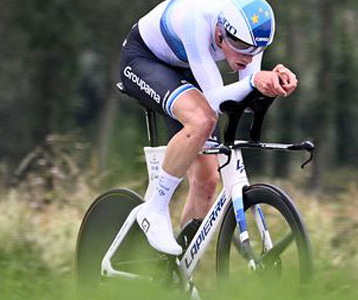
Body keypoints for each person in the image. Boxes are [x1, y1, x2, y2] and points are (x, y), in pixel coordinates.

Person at [117, 0, 297, 255]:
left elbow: (244, 101)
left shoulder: (248, 37)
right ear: (220, 33)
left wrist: (272, 86)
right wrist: (256, 80)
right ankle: (154, 209)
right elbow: (214, 101)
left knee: (207, 182)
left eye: (257, 50)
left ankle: (175, 275)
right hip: (143, 59)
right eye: (242, 47)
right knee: (202, 119)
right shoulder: (197, 21)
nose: (248, 57)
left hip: (186, 67)